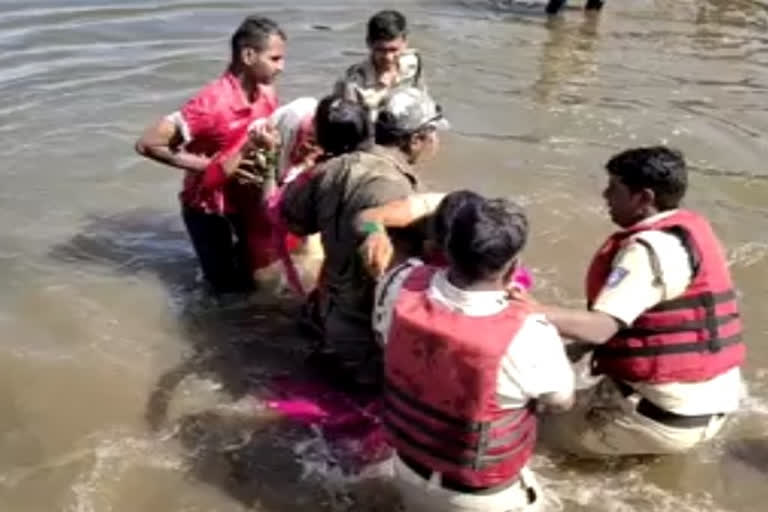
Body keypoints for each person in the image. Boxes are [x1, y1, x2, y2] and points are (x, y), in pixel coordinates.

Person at [518, 146, 745, 457]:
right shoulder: (689, 232)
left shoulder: (645, 250)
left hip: (660, 419)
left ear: (644, 198)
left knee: (522, 424)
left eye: (614, 188)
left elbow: (599, 328)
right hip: (712, 404)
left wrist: (525, 310)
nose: (605, 195)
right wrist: (575, 350)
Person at [375, 192, 574, 512]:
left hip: (407, 469)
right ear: (514, 269)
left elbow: (383, 336)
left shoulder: (400, 282)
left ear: (446, 247)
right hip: (477, 498)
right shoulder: (529, 332)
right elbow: (561, 401)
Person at [280, 87, 447, 391]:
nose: (436, 143)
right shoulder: (399, 190)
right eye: (433, 134)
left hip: (327, 306)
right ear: (416, 139)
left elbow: (294, 221)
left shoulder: (331, 168)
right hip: (366, 325)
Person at [135, 16, 285, 293]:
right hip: (208, 208)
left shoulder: (267, 93)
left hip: (246, 200)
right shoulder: (210, 104)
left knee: (256, 273)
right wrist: (211, 166)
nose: (281, 67)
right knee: (222, 288)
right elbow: (148, 143)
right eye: (274, 58)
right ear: (249, 55)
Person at [333, 10, 426, 120]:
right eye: (381, 50)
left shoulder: (413, 62)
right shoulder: (353, 83)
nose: (388, 57)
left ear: (405, 43)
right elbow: (349, 127)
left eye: (394, 49)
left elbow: (424, 100)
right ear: (369, 43)